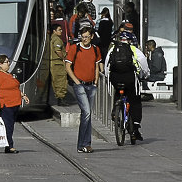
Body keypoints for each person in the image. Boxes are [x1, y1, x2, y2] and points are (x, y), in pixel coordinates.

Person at [64, 22, 103, 154]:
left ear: (91, 36)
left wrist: (96, 81)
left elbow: (96, 65)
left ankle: (84, 145)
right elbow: (68, 66)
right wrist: (77, 81)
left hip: (91, 84)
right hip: (79, 84)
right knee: (86, 112)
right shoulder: (75, 48)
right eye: (83, 37)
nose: (84, 39)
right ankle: (84, 144)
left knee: (87, 114)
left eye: (87, 37)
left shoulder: (95, 49)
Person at [105, 30, 149, 142]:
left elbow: (107, 66)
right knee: (135, 100)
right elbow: (144, 66)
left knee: (118, 91)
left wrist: (107, 76)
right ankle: (135, 126)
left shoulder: (112, 50)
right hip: (130, 78)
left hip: (115, 78)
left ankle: (116, 110)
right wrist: (145, 75)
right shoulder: (135, 50)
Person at [0, 55, 27, 154]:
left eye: (8, 61)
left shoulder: (8, 75)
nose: (9, 64)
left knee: (8, 125)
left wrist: (23, 95)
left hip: (15, 103)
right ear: (0, 64)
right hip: (6, 104)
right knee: (8, 126)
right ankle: (9, 146)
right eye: (6, 62)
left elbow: (14, 88)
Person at [48, 20, 69, 105]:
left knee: (56, 81)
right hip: (57, 63)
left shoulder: (52, 38)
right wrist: (64, 58)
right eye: (59, 30)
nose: (61, 31)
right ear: (54, 31)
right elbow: (58, 50)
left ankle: (59, 97)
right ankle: (61, 98)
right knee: (60, 81)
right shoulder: (57, 39)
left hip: (53, 63)